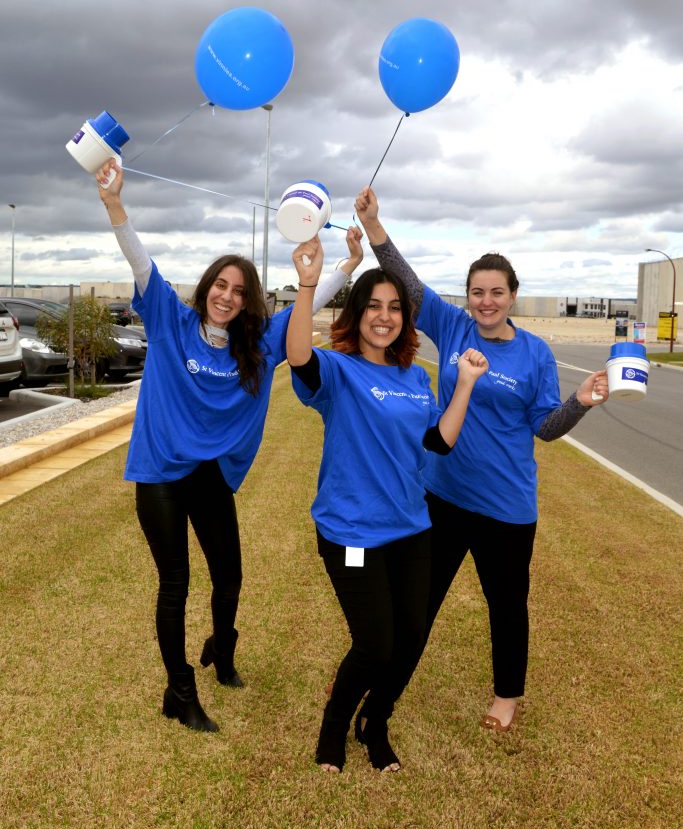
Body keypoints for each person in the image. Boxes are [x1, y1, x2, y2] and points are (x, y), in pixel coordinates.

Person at [95, 160, 361, 733]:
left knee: (231, 578)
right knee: (175, 582)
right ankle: (179, 691)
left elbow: (304, 312)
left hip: (211, 476)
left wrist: (348, 264)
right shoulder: (170, 318)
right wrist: (116, 204)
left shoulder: (257, 343)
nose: (227, 296)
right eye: (221, 285)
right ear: (208, 286)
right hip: (161, 472)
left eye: (239, 292)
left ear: (248, 302)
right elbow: (139, 261)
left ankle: (224, 648)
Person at [354, 186, 610, 733]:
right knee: (414, 603)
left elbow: (544, 428)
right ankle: (371, 679)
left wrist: (580, 403)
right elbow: (406, 280)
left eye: (496, 292)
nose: (486, 302)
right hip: (441, 494)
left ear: (513, 296)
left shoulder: (535, 352)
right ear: (467, 296)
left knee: (506, 605)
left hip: (506, 507)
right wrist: (375, 226)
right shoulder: (452, 327)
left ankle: (507, 697)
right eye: (477, 292)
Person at [286, 232, 488, 772]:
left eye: (395, 307)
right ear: (357, 312)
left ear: (406, 319)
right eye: (374, 305)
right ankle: (334, 724)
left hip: (411, 528)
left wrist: (464, 383)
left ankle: (375, 722)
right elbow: (298, 355)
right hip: (351, 530)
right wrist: (309, 286)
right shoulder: (338, 370)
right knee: (375, 644)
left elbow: (437, 441)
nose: (385, 315)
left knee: (409, 642)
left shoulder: (415, 378)